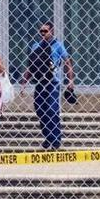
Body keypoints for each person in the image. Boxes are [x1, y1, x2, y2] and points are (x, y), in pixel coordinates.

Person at [20, 22, 74, 150]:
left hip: (53, 83)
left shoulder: (58, 45)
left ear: (52, 31)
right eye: (41, 31)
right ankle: (48, 137)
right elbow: (31, 66)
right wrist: (24, 83)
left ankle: (55, 139)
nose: (43, 33)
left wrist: (71, 81)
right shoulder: (35, 46)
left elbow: (68, 63)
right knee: (40, 110)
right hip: (40, 83)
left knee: (51, 109)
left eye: (46, 31)